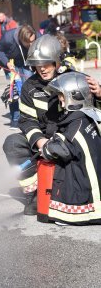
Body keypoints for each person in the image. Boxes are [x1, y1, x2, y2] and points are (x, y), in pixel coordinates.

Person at [2, 34, 101, 215]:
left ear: (56, 61)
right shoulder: (29, 87)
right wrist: (41, 142)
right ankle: (34, 193)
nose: (42, 69)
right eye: (37, 65)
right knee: (13, 144)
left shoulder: (75, 78)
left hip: (71, 143)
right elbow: (26, 121)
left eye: (46, 64)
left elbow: (94, 113)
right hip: (45, 142)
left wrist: (99, 93)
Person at [41, 72, 101, 225]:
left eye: (62, 95)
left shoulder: (76, 125)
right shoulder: (90, 115)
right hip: (93, 176)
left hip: (85, 191)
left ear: (75, 96)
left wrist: (47, 148)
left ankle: (78, 214)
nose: (60, 99)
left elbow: (64, 148)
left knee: (64, 171)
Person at [0, 24, 38, 129]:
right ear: (21, 39)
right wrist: (6, 63)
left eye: (33, 40)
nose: (32, 43)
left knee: (28, 89)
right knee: (13, 91)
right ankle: (15, 118)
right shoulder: (8, 37)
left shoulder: (38, 36)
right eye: (29, 42)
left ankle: (31, 117)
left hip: (27, 63)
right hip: (12, 64)